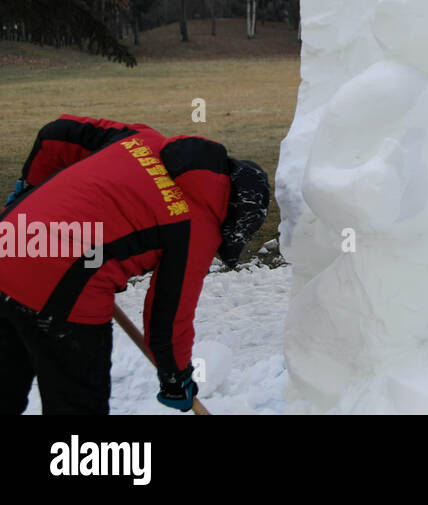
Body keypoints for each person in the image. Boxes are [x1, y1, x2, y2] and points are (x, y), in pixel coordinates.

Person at [0, 114, 269, 414]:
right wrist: (175, 380)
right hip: (61, 292)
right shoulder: (198, 227)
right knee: (77, 405)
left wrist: (27, 190)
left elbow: (57, 134)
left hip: (7, 242)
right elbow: (168, 318)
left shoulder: (141, 141)